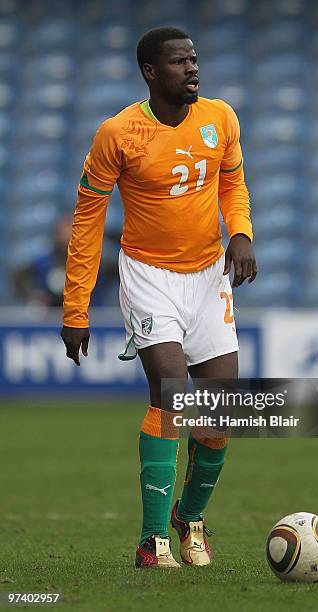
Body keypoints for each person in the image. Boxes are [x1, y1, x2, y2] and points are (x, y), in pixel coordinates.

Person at [61, 26, 257, 569]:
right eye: (179, 62)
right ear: (151, 71)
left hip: (207, 276)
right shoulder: (118, 134)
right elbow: (86, 221)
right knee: (171, 396)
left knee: (220, 413)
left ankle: (189, 519)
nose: (192, 69)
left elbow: (233, 184)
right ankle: (153, 542)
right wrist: (76, 308)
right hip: (149, 275)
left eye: (194, 60)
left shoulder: (220, 118)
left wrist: (240, 231)